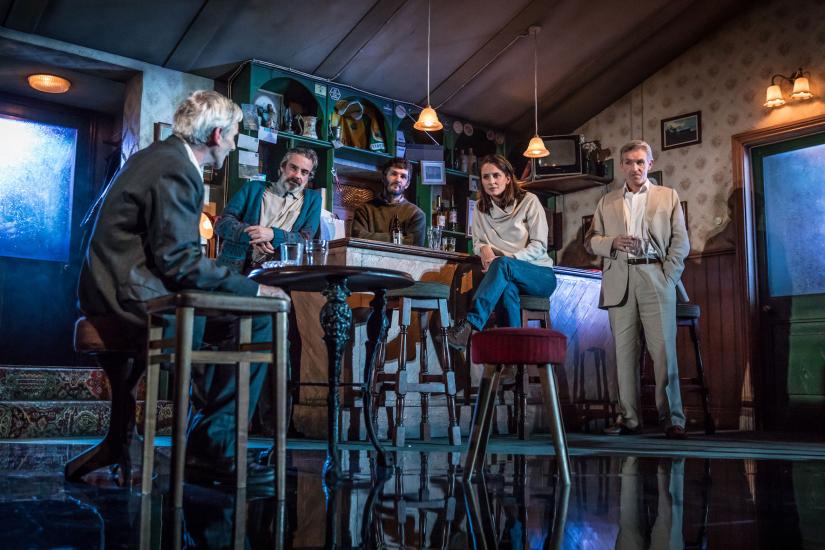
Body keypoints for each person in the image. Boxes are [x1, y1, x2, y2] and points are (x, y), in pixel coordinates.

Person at [78, 90, 288, 485]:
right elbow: (180, 262)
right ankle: (213, 452)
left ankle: (206, 441)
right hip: (129, 295)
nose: (232, 144)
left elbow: (171, 256)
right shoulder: (177, 167)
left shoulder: (161, 156)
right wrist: (255, 290)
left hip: (116, 285)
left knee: (227, 322)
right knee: (260, 317)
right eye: (233, 135)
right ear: (216, 135)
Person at [587, 139, 690, 439]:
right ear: (621, 166)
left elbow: (681, 242)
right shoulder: (606, 202)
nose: (635, 167)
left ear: (650, 165)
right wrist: (611, 243)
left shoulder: (667, 196)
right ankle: (629, 419)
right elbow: (591, 239)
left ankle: (673, 419)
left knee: (664, 353)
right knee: (624, 355)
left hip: (655, 275)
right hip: (620, 279)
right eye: (629, 162)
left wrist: (668, 275)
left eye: (640, 162)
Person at [448, 154, 557, 348]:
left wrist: (506, 260)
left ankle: (471, 324)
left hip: (539, 275)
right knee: (506, 290)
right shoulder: (481, 208)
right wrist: (485, 251)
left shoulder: (529, 201)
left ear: (508, 178)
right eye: (486, 177)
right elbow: (479, 241)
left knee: (504, 266)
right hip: (505, 275)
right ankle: (512, 360)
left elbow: (540, 245)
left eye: (496, 175)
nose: (491, 181)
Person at [215, 147, 322, 273]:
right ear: (283, 167)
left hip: (279, 274)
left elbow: (305, 239)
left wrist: (272, 234)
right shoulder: (253, 188)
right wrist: (253, 236)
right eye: (293, 168)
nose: (297, 175)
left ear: (309, 176)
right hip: (234, 270)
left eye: (304, 172)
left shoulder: (313, 200)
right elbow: (222, 224)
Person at [351, 158, 426, 246]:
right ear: (383, 178)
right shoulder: (364, 210)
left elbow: (414, 245)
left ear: (407, 184)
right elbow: (358, 238)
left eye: (403, 176)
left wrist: (371, 237)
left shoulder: (416, 214)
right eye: (394, 174)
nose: (398, 180)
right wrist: (399, 239)